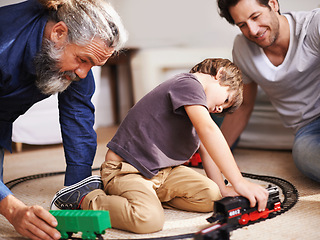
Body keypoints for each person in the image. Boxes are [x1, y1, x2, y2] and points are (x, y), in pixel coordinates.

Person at [50, 58, 268, 234]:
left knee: (213, 197)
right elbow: (209, 131)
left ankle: (146, 197)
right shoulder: (190, 83)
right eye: (226, 100)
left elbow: (206, 147)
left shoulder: (197, 106)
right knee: (148, 220)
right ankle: (84, 198)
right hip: (128, 170)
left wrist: (222, 187)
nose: (221, 109)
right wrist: (239, 182)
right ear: (219, 74)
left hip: (164, 172)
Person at [0, 0, 127, 239]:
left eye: (93, 65)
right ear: (58, 33)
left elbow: (78, 116)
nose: (83, 73)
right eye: (83, 60)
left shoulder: (77, 58)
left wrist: (78, 190)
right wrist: (12, 208)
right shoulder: (4, 46)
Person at [216, 0, 320, 182]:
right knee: (304, 155)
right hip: (309, 128)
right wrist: (217, 158)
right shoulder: (242, 48)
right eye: (242, 25)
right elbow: (243, 105)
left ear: (273, 4)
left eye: (255, 17)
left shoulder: (313, 25)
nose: (254, 30)